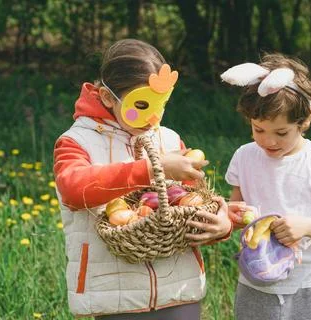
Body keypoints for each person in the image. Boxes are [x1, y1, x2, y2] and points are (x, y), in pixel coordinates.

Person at [53, 39, 232, 319]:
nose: (153, 116)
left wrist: (221, 226)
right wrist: (152, 169)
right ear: (108, 97)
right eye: (142, 104)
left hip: (179, 291)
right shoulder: (77, 142)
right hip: (115, 297)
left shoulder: (169, 139)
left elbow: (190, 204)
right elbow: (74, 190)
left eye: (161, 104)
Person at [222, 53, 311, 320]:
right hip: (255, 284)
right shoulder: (244, 157)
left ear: (305, 119)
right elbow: (233, 211)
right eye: (258, 129)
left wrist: (305, 226)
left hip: (309, 287)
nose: (268, 141)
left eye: (281, 133)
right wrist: (228, 214)